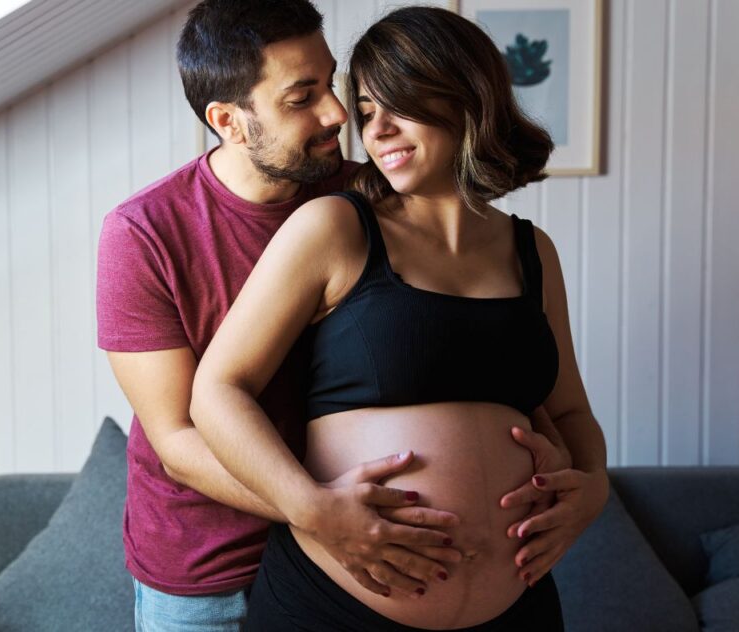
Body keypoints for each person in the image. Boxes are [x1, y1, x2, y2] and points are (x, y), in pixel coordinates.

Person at [190, 6, 610, 631]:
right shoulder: (335, 228)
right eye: (364, 112)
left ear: (467, 97)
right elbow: (217, 392)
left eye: (399, 103)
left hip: (518, 607)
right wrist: (312, 508)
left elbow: (571, 411)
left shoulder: (532, 251)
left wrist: (595, 489)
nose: (376, 129)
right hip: (333, 608)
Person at [96, 1, 499, 629]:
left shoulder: (370, 197)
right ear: (229, 121)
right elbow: (178, 439)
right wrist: (316, 509)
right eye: (301, 97)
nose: (338, 114)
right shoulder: (143, 234)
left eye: (332, 83)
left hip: (349, 565)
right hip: (211, 572)